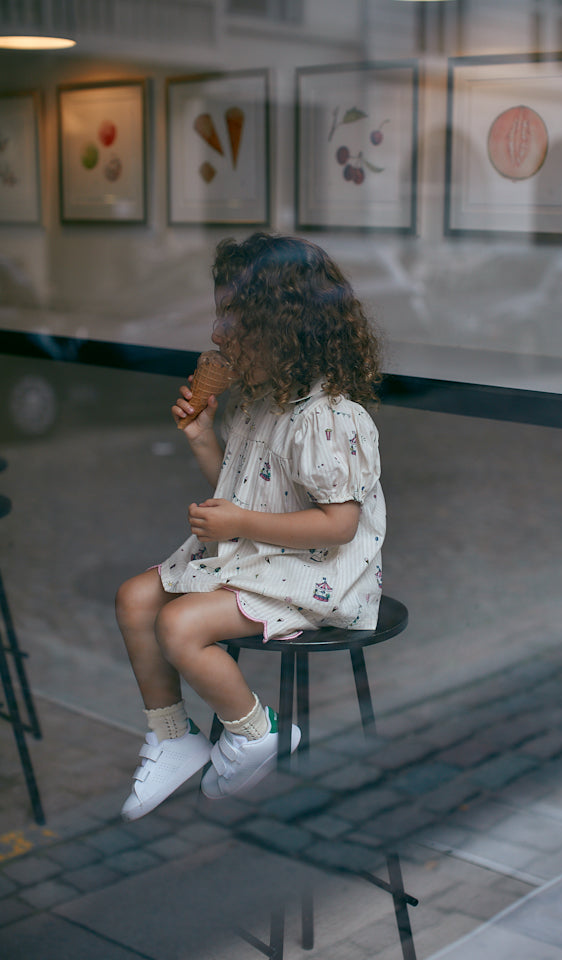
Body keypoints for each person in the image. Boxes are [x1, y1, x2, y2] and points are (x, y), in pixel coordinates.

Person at [116, 232, 386, 822]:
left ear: (287, 327)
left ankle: (255, 732)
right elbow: (239, 489)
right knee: (136, 598)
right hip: (261, 554)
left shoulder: (331, 417)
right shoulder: (262, 403)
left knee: (181, 624)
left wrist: (239, 521)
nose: (217, 332)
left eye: (233, 316)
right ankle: (172, 737)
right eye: (219, 314)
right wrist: (202, 438)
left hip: (317, 571)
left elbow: (340, 525)